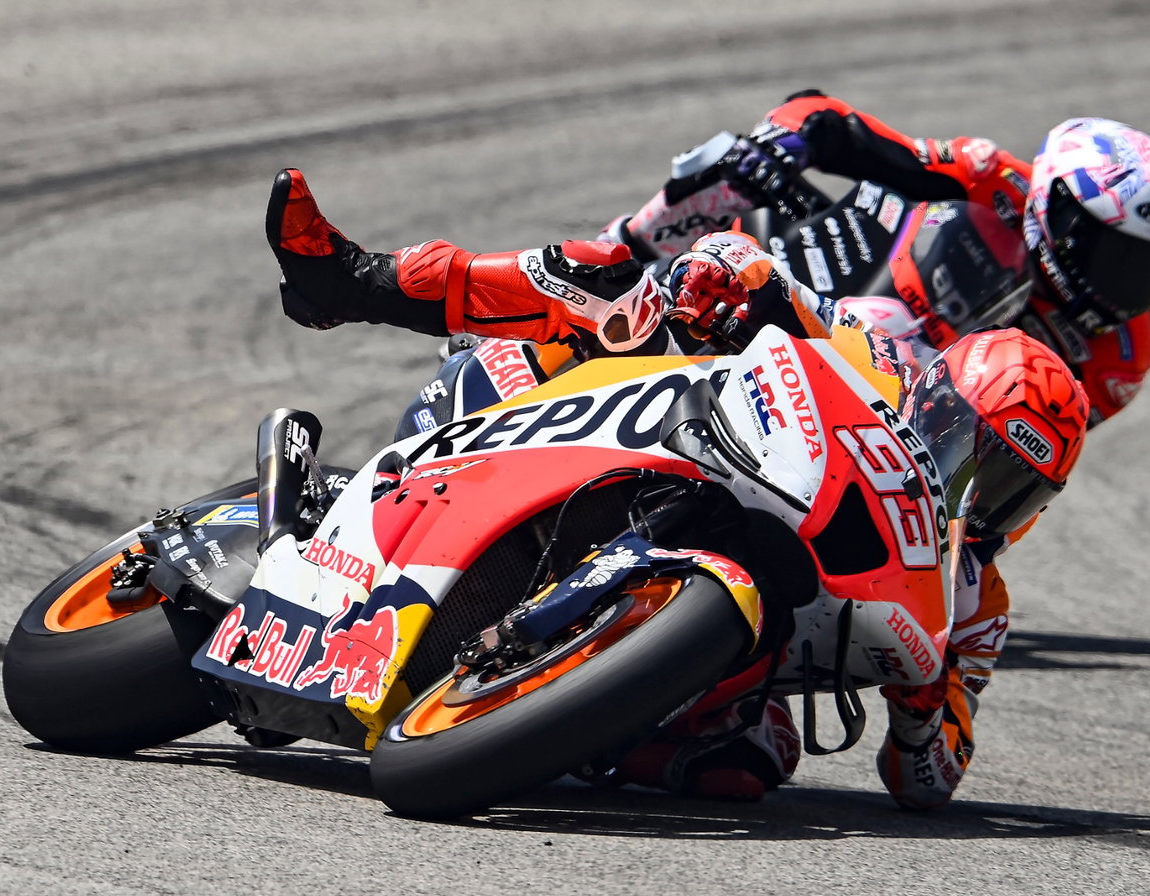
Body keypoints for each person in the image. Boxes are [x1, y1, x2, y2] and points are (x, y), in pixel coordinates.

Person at [266, 167, 1091, 810]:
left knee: (754, 761)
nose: (980, 493)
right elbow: (789, 296)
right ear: (938, 402)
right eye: (973, 453)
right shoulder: (881, 361)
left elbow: (929, 779)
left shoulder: (974, 608)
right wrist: (733, 274)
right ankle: (350, 279)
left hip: (721, 652)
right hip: (670, 439)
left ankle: (560, 724)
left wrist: (923, 706)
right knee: (618, 287)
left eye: (1015, 488)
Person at [601, 90, 1150, 425]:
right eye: (1112, 254)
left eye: (1147, 266)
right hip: (843, 291)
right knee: (731, 175)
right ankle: (616, 265)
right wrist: (782, 143)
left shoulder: (1120, 360)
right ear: (1056, 206)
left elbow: (1026, 464)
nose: (1122, 286)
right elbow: (833, 123)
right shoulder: (994, 180)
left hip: (916, 404)